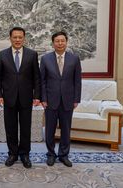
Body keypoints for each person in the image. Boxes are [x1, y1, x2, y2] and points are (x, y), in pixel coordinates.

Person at [0, 27, 41, 168]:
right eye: (14, 37)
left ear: (24, 38)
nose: (17, 40)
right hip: (8, 98)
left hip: (26, 98)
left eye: (20, 37)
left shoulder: (32, 54)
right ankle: (13, 154)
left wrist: (37, 96)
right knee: (11, 127)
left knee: (26, 128)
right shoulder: (2, 55)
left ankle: (25, 154)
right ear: (10, 38)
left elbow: (37, 78)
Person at [40, 31, 82, 167]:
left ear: (66, 42)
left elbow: (77, 81)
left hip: (68, 100)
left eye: (62, 41)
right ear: (53, 43)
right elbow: (42, 81)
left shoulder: (74, 59)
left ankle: (64, 155)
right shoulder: (45, 59)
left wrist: (76, 99)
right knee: (49, 130)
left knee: (66, 130)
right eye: (57, 41)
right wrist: (43, 99)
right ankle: (51, 154)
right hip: (50, 101)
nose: (60, 43)